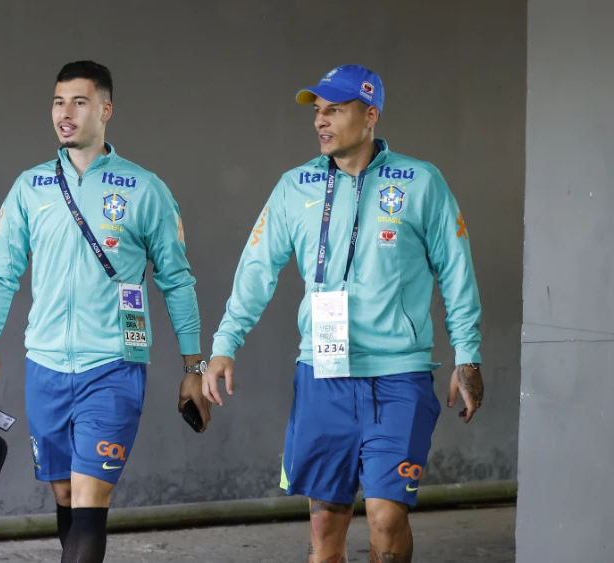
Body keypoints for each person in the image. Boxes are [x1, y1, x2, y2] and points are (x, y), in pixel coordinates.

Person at [202, 65, 485, 563]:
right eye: (317, 111)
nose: (321, 121)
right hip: (322, 376)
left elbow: (456, 271)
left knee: (385, 517)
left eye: (335, 109)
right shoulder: (295, 186)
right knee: (325, 533)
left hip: (398, 376)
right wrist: (225, 344)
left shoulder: (421, 182)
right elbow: (256, 269)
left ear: (370, 114)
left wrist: (468, 356)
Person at [0, 60, 211, 563]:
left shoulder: (145, 189)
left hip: (112, 366)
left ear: (106, 110)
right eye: (57, 102)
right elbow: (0, 276)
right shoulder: (30, 188)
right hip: (45, 367)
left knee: (92, 500)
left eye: (79, 102)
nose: (64, 114)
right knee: (67, 496)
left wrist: (192, 369)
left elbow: (177, 280)